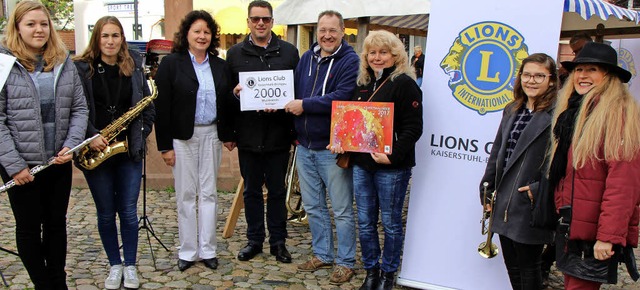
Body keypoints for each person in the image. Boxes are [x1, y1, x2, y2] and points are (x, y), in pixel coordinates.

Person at [0, 1, 88, 288]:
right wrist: (14, 166)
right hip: (22, 166)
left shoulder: (63, 61)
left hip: (57, 161)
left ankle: (57, 281)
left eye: (43, 23)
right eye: (30, 24)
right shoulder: (3, 64)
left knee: (55, 225)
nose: (39, 29)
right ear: (17, 28)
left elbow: (79, 109)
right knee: (28, 228)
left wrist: (71, 145)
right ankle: (42, 283)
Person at [328, 30, 423, 290]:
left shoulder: (404, 83)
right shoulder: (363, 83)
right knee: (366, 222)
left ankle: (388, 274)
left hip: (391, 167)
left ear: (395, 55)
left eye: (383, 52)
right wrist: (340, 141)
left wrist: (391, 156)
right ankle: (371, 271)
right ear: (366, 56)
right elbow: (353, 124)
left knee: (391, 223)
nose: (377, 57)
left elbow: (413, 128)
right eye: (372, 52)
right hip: (362, 164)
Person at [550, 42, 640, 289]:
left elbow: (623, 185)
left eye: (592, 70)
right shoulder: (576, 111)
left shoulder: (617, 114)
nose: (582, 76)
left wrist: (607, 237)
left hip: (592, 234)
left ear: (608, 77)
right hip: (572, 224)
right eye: (579, 69)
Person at [74, 16, 155, 289]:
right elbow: (74, 108)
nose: (110, 41)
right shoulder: (81, 69)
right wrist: (90, 135)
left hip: (127, 151)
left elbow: (147, 106)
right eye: (105, 36)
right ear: (97, 38)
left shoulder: (133, 67)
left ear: (122, 39)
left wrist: (140, 136)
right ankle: (115, 265)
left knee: (129, 213)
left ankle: (130, 265)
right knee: (106, 213)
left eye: (115, 36)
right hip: (95, 149)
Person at [283, 10, 359, 285]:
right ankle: (323, 254)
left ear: (342, 32)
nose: (327, 35)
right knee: (313, 206)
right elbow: (291, 91)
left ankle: (346, 261)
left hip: (332, 148)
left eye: (333, 30)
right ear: (317, 31)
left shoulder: (350, 61)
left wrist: (304, 105)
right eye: (322, 30)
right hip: (305, 146)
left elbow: (342, 97)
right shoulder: (307, 58)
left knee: (341, 209)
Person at [220, 0, 299, 264]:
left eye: (265, 19)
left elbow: (296, 93)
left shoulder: (289, 52)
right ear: (249, 22)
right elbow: (226, 96)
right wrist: (228, 132)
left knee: (277, 190)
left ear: (272, 21)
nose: (260, 23)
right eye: (255, 19)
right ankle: (254, 240)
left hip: (278, 133)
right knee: (251, 191)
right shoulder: (234, 54)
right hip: (248, 133)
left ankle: (278, 242)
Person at [154, 10, 233, 272]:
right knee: (186, 194)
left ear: (213, 37)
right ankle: (188, 251)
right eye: (197, 31)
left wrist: (230, 134)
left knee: (209, 193)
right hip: (182, 138)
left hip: (211, 134)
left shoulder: (220, 65)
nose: (202, 36)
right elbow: (162, 106)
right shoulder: (171, 64)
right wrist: (164, 145)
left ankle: (208, 249)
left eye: (207, 32)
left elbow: (227, 102)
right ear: (186, 34)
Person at [479, 53, 558, 290]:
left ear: (551, 80)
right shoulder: (512, 109)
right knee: (512, 265)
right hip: (503, 198)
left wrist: (538, 189)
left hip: (529, 200)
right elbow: (497, 153)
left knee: (529, 267)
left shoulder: (557, 114)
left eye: (539, 76)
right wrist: (487, 189)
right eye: (527, 75)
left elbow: (560, 161)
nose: (531, 81)